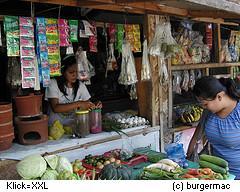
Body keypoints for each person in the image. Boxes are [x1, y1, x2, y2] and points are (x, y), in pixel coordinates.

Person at [187, 76, 240, 178]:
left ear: (219, 96)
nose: (204, 107)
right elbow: (196, 136)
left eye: (206, 104)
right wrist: (187, 159)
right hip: (216, 175)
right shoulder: (209, 112)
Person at [45, 55, 101, 126]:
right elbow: (56, 108)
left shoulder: (80, 85)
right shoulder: (53, 83)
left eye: (76, 72)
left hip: (73, 127)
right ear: (63, 72)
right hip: (55, 129)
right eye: (71, 72)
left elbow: (87, 103)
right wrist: (78, 103)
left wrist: (95, 104)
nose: (75, 75)